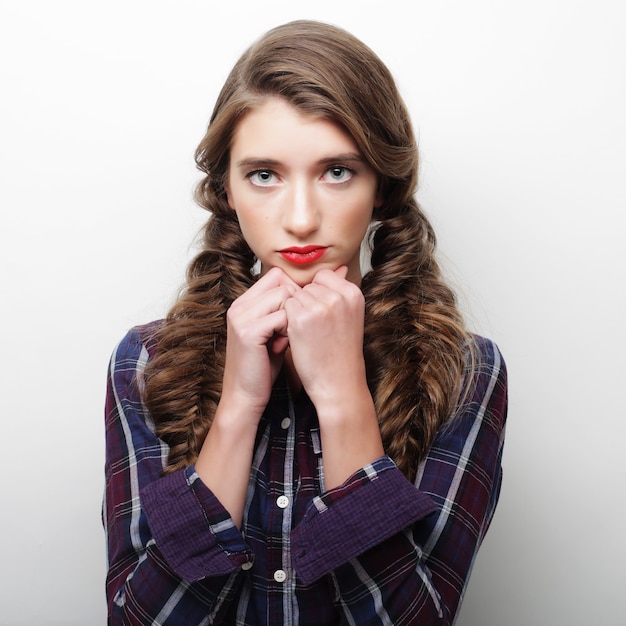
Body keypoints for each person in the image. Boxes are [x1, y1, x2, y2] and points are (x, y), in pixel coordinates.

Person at [103, 19, 508, 625]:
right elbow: (138, 619)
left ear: (382, 187)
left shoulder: (464, 371)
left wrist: (344, 398)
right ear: (228, 191)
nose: (299, 218)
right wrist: (238, 405)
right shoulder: (146, 363)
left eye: (336, 171)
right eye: (264, 175)